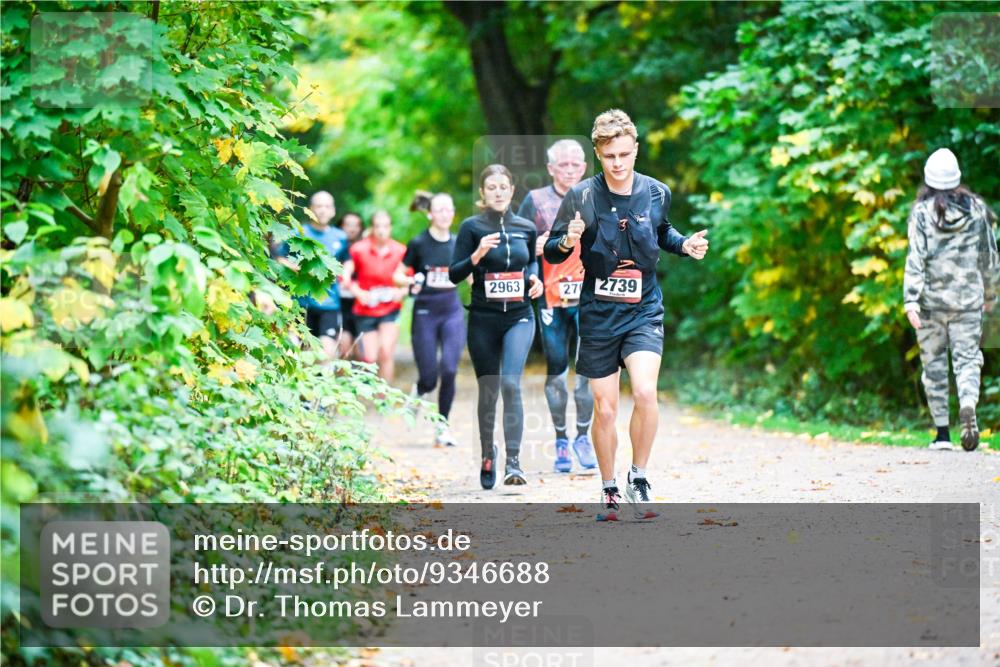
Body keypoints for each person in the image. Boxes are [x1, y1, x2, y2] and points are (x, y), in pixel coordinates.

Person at [544, 109, 709, 521]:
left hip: (643, 309)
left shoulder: (656, 192)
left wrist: (683, 244)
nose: (617, 164)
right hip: (599, 313)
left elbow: (662, 230)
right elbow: (551, 249)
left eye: (624, 154)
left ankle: (639, 477)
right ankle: (609, 487)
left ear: (636, 150)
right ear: (598, 155)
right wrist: (567, 239)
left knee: (646, 393)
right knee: (605, 409)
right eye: (609, 156)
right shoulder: (581, 196)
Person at [450, 164, 544, 488]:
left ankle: (514, 463)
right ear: (482, 194)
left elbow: (531, 260)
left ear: (512, 190)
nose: (499, 192)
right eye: (492, 187)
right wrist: (476, 255)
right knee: (488, 390)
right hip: (483, 319)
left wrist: (535, 278)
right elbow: (453, 273)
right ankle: (488, 453)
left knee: (511, 384)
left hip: (519, 315)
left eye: (504, 186)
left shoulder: (525, 227)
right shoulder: (471, 227)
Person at [903, 148, 998, 452]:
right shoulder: (978, 210)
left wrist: (911, 300)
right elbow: (990, 255)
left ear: (928, 180)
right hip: (968, 299)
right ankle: (968, 405)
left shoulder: (921, 213)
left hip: (931, 302)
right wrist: (990, 294)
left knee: (934, 364)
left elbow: (915, 257)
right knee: (968, 359)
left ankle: (942, 434)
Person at [518, 139, 596, 473]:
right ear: (550, 169)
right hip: (551, 297)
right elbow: (514, 245)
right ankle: (561, 440)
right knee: (557, 371)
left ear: (584, 167)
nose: (569, 170)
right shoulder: (534, 201)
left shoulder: (595, 196)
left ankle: (583, 436)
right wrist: (530, 251)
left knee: (588, 373)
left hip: (590, 296)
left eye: (575, 164)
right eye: (562, 164)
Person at [394, 192, 466, 447]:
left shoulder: (459, 243)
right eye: (440, 210)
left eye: (449, 209)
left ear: (453, 213)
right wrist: (412, 279)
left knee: (449, 369)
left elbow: (469, 275)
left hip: (452, 312)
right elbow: (397, 276)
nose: (445, 214)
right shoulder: (418, 244)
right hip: (425, 313)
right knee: (429, 376)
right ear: (430, 214)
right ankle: (419, 390)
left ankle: (442, 428)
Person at [274, 191, 350, 362]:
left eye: (327, 206)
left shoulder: (340, 237)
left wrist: (346, 275)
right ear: (310, 209)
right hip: (299, 303)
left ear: (333, 211)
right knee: (291, 353)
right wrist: (299, 269)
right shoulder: (297, 233)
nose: (323, 210)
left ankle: (321, 386)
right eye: (319, 206)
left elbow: (347, 261)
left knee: (325, 355)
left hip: (328, 304)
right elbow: (279, 259)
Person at [346, 210, 407, 382]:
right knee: (370, 358)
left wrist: (400, 292)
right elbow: (345, 275)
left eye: (385, 226)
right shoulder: (358, 250)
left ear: (390, 228)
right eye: (378, 226)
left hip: (390, 309)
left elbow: (409, 280)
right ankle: (368, 394)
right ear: (372, 228)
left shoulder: (400, 250)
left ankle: (385, 399)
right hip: (365, 309)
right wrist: (358, 292)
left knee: (386, 352)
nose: (381, 230)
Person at [338, 212, 364, 358]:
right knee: (343, 346)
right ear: (341, 226)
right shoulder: (335, 246)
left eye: (356, 225)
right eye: (348, 225)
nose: (352, 229)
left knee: (362, 349)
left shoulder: (365, 247)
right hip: (340, 302)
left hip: (361, 302)